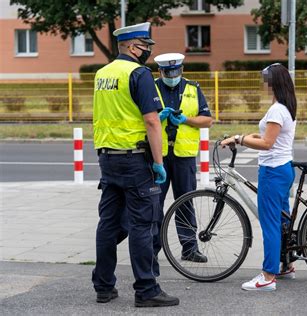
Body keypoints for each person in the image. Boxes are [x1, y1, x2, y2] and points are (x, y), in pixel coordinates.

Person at [92, 22, 179, 307]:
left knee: (108, 224)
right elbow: (151, 120)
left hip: (108, 158)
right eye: (145, 48)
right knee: (143, 225)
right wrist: (158, 162)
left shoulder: (102, 74)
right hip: (135, 160)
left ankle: (103, 286)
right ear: (131, 47)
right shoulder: (138, 73)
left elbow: (113, 113)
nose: (148, 54)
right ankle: (146, 290)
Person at [220, 63, 297, 291]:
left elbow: (267, 143)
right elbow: (269, 136)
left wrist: (240, 138)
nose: (264, 84)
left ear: (274, 83)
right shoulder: (285, 106)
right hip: (284, 168)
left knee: (270, 224)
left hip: (273, 172)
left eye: (266, 80)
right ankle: (286, 264)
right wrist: (248, 136)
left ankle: (267, 277)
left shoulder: (277, 109)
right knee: (282, 221)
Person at [153, 53, 213, 263]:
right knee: (154, 204)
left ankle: (189, 248)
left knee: (185, 203)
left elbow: (207, 120)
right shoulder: (150, 88)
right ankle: (151, 249)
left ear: (182, 70)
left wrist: (187, 119)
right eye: (168, 73)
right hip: (157, 156)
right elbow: (139, 119)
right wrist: (156, 118)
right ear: (160, 71)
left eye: (176, 72)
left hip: (183, 156)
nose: (173, 76)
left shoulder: (192, 88)